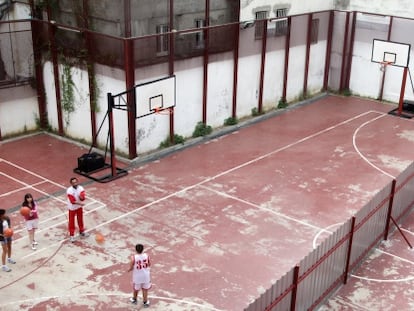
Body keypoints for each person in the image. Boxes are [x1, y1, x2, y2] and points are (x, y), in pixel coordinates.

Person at [66, 177, 89, 242]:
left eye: (76, 182)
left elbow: (83, 198)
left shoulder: (81, 188)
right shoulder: (69, 190)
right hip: (72, 208)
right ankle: (72, 235)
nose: (75, 183)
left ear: (77, 182)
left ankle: (82, 231)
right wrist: (80, 203)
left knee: (80, 219)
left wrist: (81, 198)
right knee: (71, 221)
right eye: (73, 183)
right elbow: (72, 201)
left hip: (79, 207)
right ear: (71, 183)